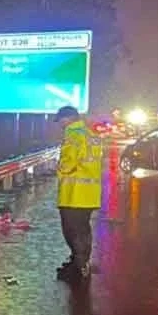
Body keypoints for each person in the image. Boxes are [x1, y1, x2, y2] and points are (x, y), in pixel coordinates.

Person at [53, 105, 103, 281]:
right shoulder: (92, 135)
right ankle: (80, 262)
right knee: (83, 229)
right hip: (90, 194)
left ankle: (79, 267)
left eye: (60, 121)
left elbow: (68, 163)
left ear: (68, 119)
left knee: (71, 231)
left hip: (73, 194)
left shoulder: (72, 135)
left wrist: (58, 169)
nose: (60, 125)